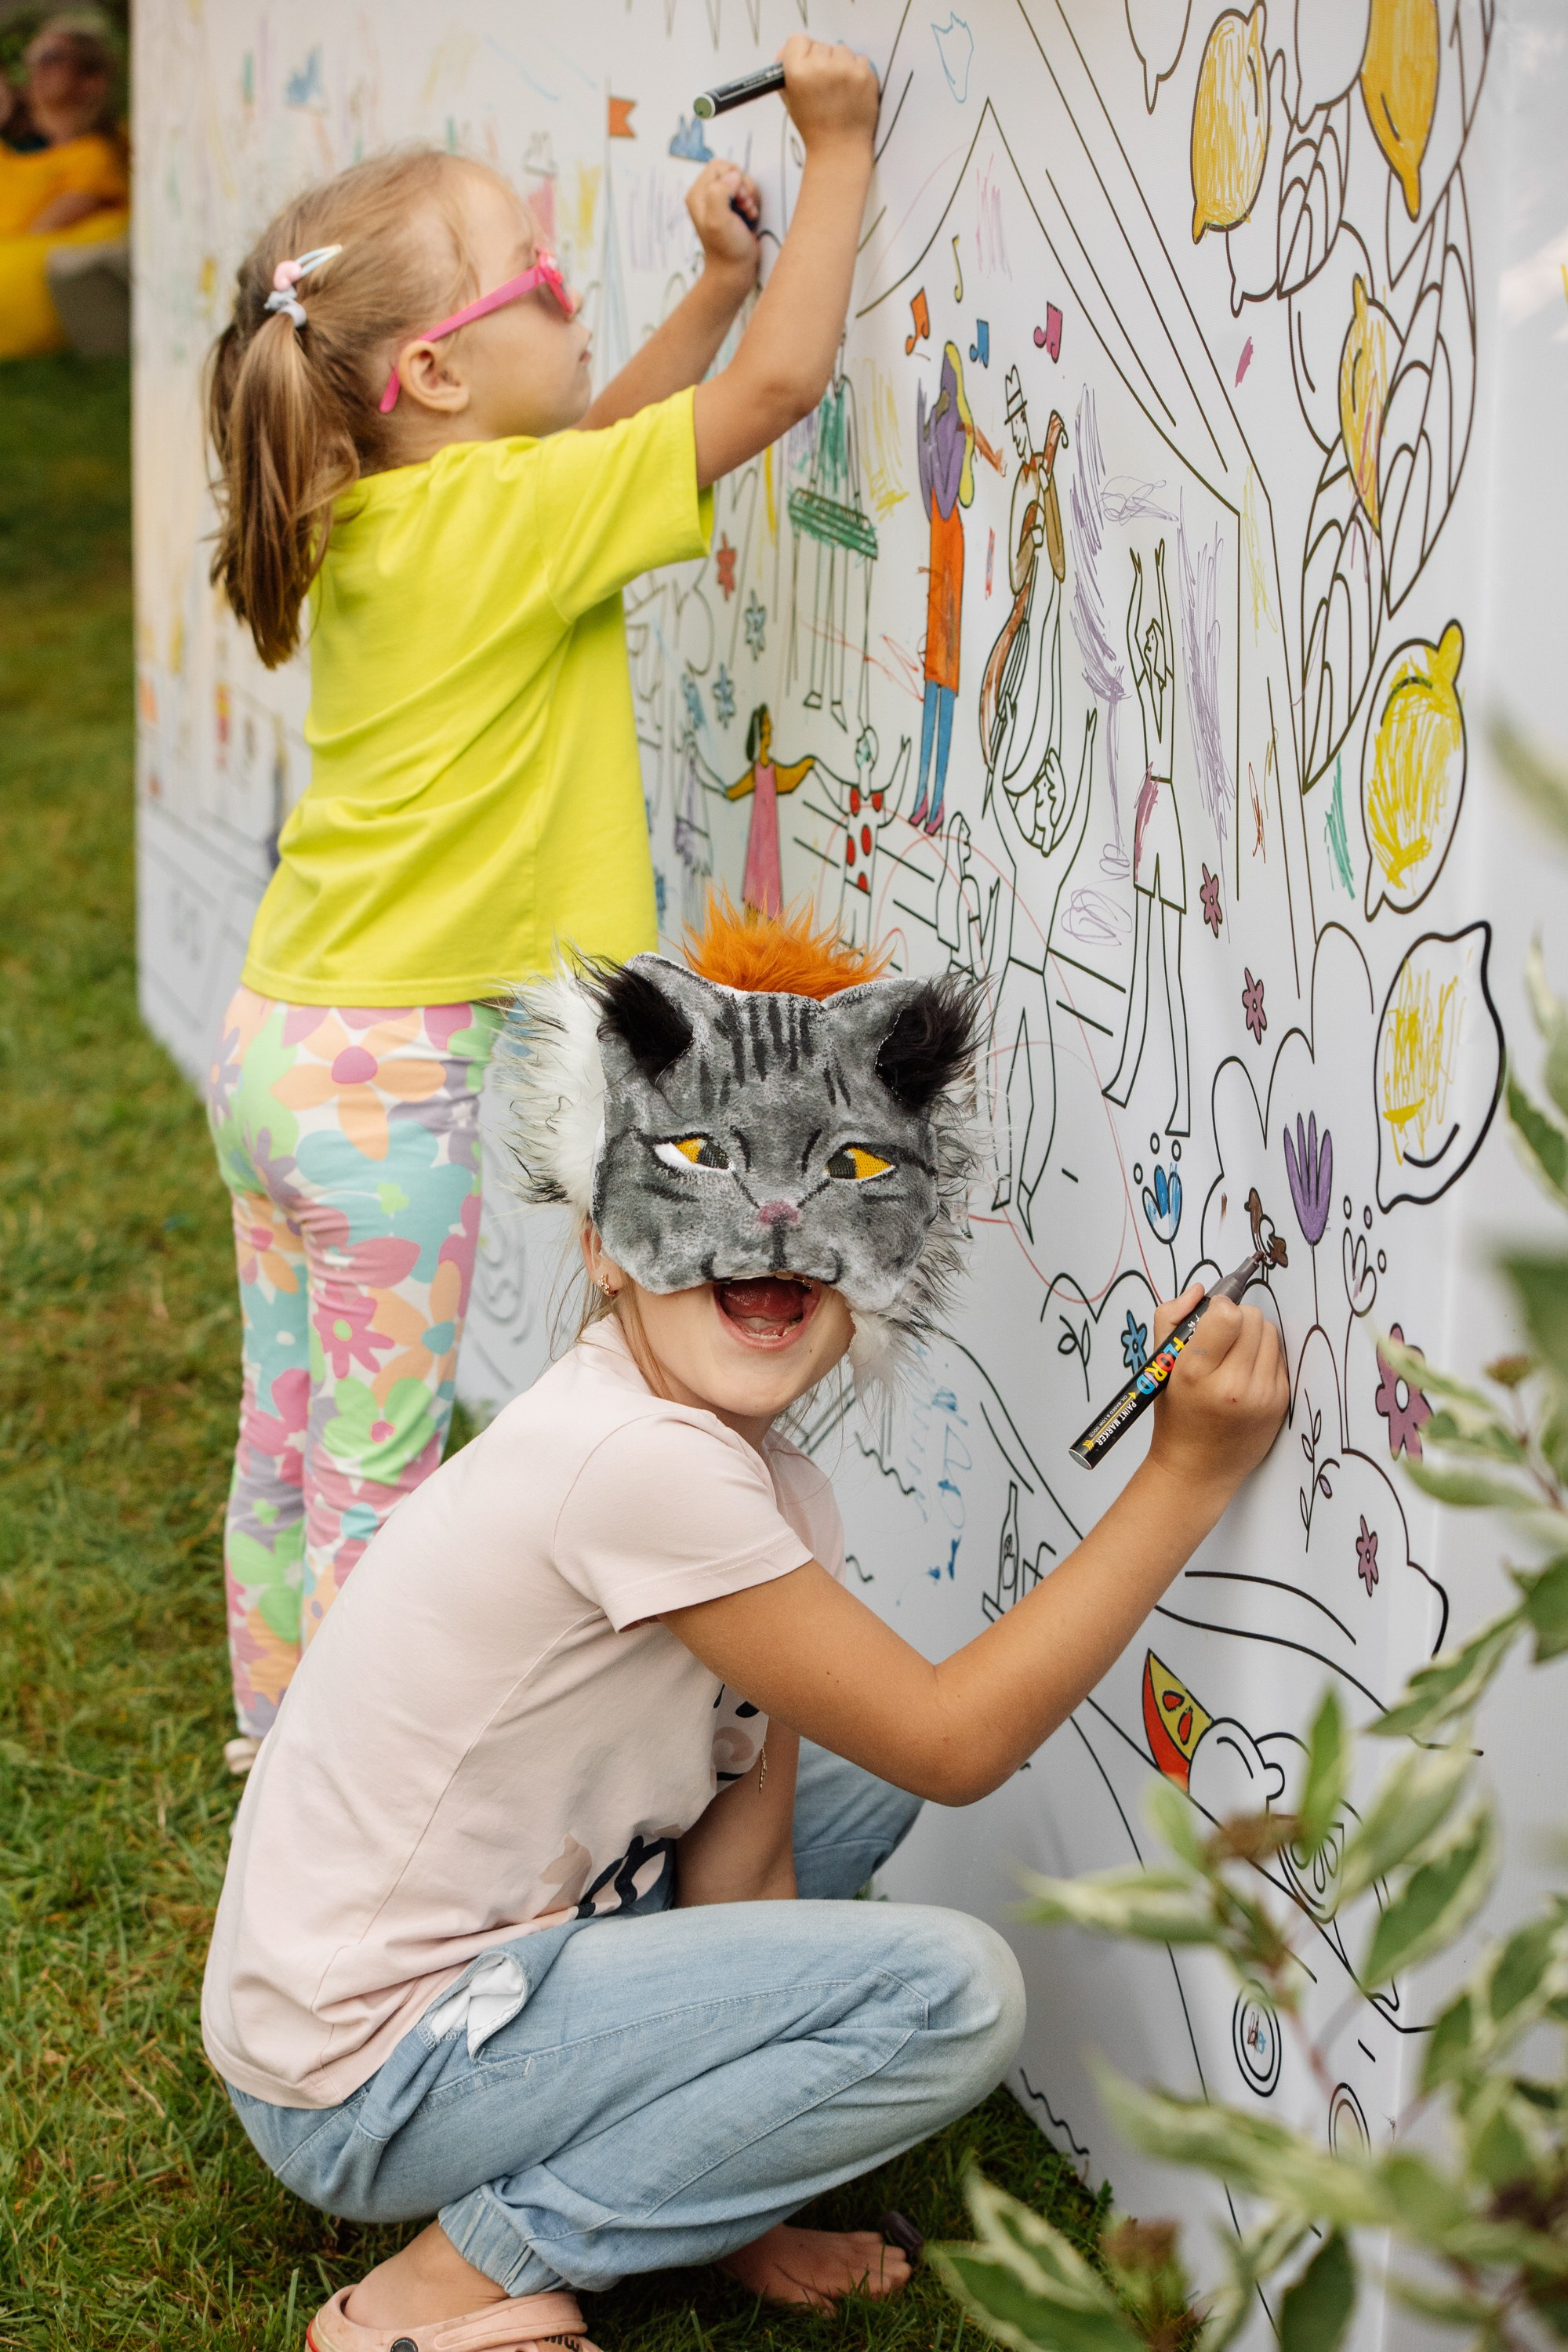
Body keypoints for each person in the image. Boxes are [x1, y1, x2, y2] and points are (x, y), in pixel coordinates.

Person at [201, 897, 1288, 2352]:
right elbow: (961, 1741)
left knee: (854, 1772)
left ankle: (640, 2203)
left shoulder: (761, 1478)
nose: (772, 1231)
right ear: (602, 1247)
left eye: (833, 1191)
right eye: (711, 1184)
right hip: (358, 2075)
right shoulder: (638, 1464)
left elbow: (749, 1848)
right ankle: (457, 2278)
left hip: (477, 1962)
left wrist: (739, 2193)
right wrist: (1186, 1474)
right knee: (952, 1993)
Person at [201, 38, 881, 1767]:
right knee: (381, 1464)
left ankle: (278, 1752)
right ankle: (357, 1796)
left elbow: (603, 439)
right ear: (435, 371)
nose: (572, 294)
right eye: (543, 274)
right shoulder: (505, 518)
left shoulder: (396, 515)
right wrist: (839, 143)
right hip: (384, 1088)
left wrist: (714, 280)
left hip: (285, 1048)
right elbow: (780, 390)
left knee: (291, 1436)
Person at [0, 11, 128, 361]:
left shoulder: (94, 156)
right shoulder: (19, 150)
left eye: (52, 57)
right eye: (31, 57)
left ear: (92, 81)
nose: (35, 68)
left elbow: (39, 234)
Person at [727, 704, 816, 915]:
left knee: (771, 902)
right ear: (762, 732)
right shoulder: (758, 772)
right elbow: (734, 791)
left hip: (769, 847)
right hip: (759, 845)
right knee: (753, 899)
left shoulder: (772, 771)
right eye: (768, 726)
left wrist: (806, 765)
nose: (772, 730)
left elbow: (791, 779)